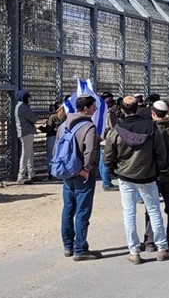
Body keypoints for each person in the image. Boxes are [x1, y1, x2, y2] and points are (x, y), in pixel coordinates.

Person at [103, 96, 169, 264]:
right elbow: (161, 154)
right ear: (137, 109)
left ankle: (134, 251)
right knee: (154, 210)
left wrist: (114, 170)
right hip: (148, 176)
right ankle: (162, 248)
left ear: (122, 110)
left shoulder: (117, 130)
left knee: (129, 212)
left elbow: (108, 156)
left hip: (125, 176)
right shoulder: (152, 129)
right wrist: (156, 169)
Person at [58, 95, 101, 261]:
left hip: (67, 173)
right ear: (86, 109)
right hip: (83, 175)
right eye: (93, 107)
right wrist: (86, 169)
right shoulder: (89, 127)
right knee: (82, 211)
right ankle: (80, 249)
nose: (95, 109)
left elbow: (57, 149)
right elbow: (90, 151)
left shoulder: (64, 125)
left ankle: (68, 245)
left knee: (68, 209)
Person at [143, 101, 169, 251]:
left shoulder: (150, 130)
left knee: (151, 207)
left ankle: (150, 241)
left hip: (153, 174)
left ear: (153, 113)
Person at [15, 90, 38, 184]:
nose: (30, 98)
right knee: (26, 154)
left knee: (30, 154)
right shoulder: (23, 107)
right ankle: (21, 176)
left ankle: (31, 174)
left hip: (26, 132)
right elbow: (34, 118)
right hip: (26, 133)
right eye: (29, 96)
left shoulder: (21, 106)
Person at [44, 98, 68, 179]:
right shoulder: (65, 116)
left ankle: (51, 173)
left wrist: (42, 128)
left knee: (51, 155)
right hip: (61, 138)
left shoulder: (53, 117)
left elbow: (49, 128)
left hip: (52, 137)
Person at [99, 93, 118, 191]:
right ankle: (106, 183)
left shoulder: (100, 112)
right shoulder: (109, 114)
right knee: (106, 162)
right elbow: (113, 127)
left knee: (102, 162)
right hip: (107, 141)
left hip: (101, 141)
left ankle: (105, 181)